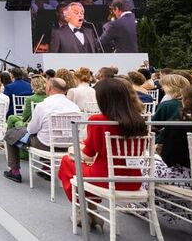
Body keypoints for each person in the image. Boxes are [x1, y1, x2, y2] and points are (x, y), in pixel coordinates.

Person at [58, 78, 149, 229]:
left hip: (104, 177)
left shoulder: (98, 120)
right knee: (79, 167)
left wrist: (74, 149)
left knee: (68, 161)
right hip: (133, 179)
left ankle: (82, 211)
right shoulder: (139, 121)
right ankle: (91, 211)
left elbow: (88, 155)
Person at [3, 78, 80, 183]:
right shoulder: (75, 107)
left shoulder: (43, 106)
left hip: (46, 145)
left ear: (49, 88)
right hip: (68, 145)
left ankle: (14, 171)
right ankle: (46, 168)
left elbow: (31, 130)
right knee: (45, 134)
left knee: (11, 134)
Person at [148, 85, 192, 223]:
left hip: (188, 179)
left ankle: (139, 206)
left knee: (146, 163)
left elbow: (169, 159)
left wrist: (157, 150)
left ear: (186, 101)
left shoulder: (179, 125)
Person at [151, 74, 191, 143]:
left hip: (169, 141)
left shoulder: (167, 105)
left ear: (169, 88)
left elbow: (154, 126)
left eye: (163, 86)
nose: (162, 88)